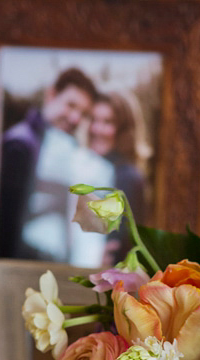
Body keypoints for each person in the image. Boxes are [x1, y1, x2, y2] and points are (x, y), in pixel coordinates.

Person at [0, 67, 98, 258]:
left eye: (83, 113)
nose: (75, 118)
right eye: (71, 105)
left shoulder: (55, 147)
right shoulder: (20, 145)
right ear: (51, 95)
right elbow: (6, 230)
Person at [86, 91, 150, 265]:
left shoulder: (127, 177)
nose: (96, 129)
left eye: (107, 122)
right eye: (94, 120)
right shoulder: (90, 167)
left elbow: (118, 245)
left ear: (124, 130)